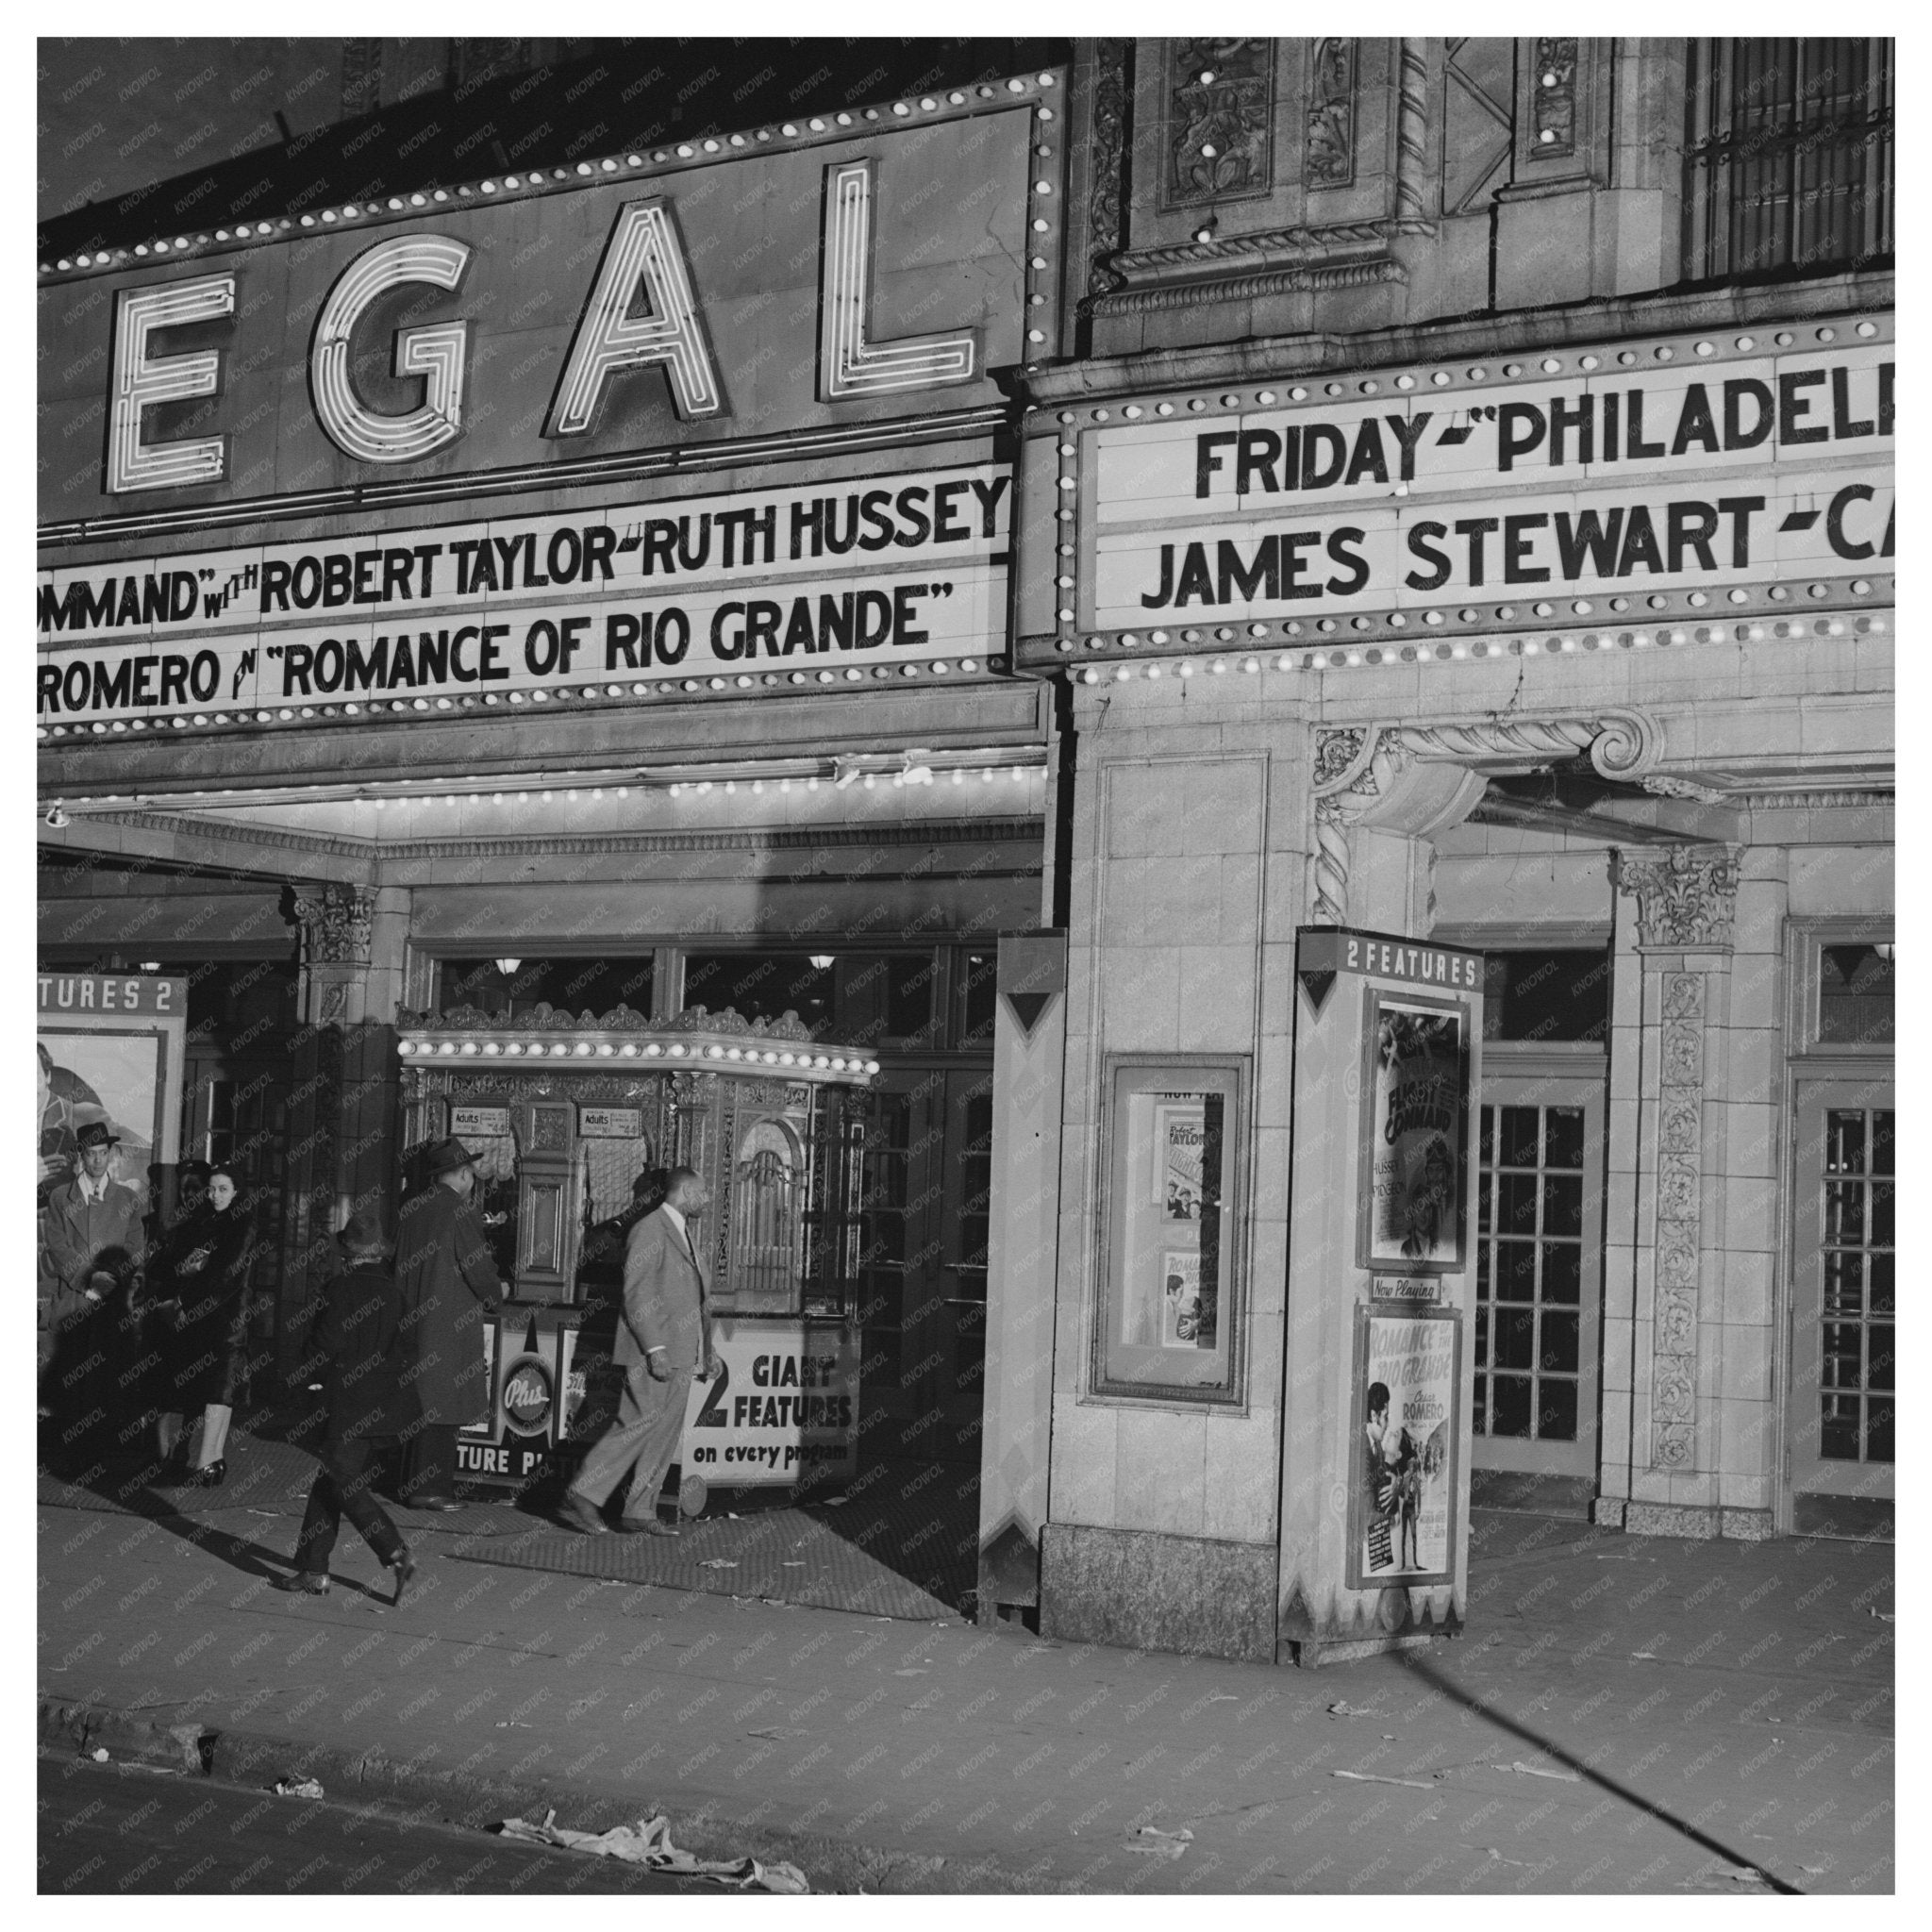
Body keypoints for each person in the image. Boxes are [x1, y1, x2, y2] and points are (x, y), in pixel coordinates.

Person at [558, 1165, 716, 1537]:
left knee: (663, 1431)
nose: (707, 1200)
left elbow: (694, 1297)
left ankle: (640, 1510)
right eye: (703, 1192)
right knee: (639, 1422)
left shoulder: (684, 1232)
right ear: (686, 1192)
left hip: (683, 1351)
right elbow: (637, 1292)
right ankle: (582, 1494)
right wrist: (655, 1348)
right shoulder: (649, 1228)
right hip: (656, 1350)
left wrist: (706, 1350)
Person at [275, 1208, 416, 1603]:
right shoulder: (395, 1293)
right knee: (330, 1481)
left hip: (347, 1406)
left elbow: (327, 1345)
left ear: (347, 1254)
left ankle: (395, 1552)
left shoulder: (340, 1290)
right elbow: (409, 1351)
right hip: (387, 1409)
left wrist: (303, 1377)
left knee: (344, 1483)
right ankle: (313, 1569)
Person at [393, 1136, 504, 1509]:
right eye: (471, 1174)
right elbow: (477, 1268)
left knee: (421, 1405)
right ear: (462, 1175)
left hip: (414, 1317)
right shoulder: (459, 1210)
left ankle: (409, 1484)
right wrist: (497, 1293)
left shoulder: (411, 1208)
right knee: (444, 1408)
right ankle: (431, 1489)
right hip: (449, 1323)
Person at [40, 1119, 147, 1450]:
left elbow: (135, 1246)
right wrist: (89, 1277)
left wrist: (115, 1280)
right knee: (68, 1377)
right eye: (91, 1154)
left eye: (103, 1153)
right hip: (74, 1297)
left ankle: (103, 1448)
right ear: (80, 1157)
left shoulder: (127, 1197)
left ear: (110, 1154)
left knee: (106, 1377)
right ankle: (66, 1449)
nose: (98, 1160)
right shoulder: (60, 1197)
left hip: (111, 1300)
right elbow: (57, 1247)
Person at [150, 1165, 256, 1485]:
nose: (215, 1195)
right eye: (211, 1189)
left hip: (226, 1318)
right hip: (200, 1318)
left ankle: (209, 1460)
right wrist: (186, 1272)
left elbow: (226, 1272)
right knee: (201, 1389)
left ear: (236, 1191)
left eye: (223, 1189)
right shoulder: (204, 1220)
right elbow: (183, 1263)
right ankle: (200, 1458)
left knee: (220, 1388)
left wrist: (186, 1297)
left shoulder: (243, 1224)